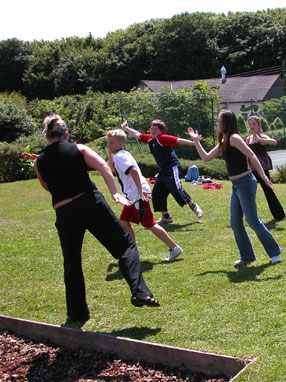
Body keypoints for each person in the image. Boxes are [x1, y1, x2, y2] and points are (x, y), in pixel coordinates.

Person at [22, 115, 159, 324]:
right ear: (65, 133)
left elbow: (47, 187)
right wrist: (114, 192)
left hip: (64, 212)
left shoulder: (39, 162)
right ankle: (139, 291)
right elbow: (103, 166)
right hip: (89, 203)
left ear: (46, 135)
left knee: (72, 262)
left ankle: (77, 313)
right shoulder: (78, 149)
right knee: (125, 247)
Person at [187, 110, 282, 266]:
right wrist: (196, 141)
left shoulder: (234, 138)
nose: (218, 124)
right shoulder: (223, 142)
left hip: (245, 182)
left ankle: (274, 251)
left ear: (227, 123)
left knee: (252, 220)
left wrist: (263, 177)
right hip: (236, 185)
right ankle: (247, 256)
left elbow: (251, 155)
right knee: (235, 222)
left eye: (219, 122)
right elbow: (205, 158)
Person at [106, 129, 183, 262]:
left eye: (111, 143)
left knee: (149, 223)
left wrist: (141, 192)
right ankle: (132, 251)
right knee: (124, 221)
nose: (108, 145)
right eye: (108, 143)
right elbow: (112, 169)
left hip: (137, 195)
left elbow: (134, 171)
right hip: (132, 196)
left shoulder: (120, 156)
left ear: (120, 143)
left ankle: (174, 248)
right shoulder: (120, 154)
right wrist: (109, 152)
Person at [120, 120, 203, 224]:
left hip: (172, 167)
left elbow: (178, 140)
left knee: (175, 188)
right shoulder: (150, 139)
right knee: (157, 193)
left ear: (161, 130)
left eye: (156, 129)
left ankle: (194, 206)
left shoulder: (162, 138)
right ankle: (166, 217)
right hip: (163, 169)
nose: (153, 131)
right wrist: (125, 128)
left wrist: (194, 142)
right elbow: (136, 134)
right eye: (151, 128)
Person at [245, 115, 286, 221]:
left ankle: (280, 215)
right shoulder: (248, 139)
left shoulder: (262, 136)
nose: (252, 126)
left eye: (254, 124)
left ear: (259, 125)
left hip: (262, 167)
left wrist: (261, 139)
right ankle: (249, 216)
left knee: (268, 191)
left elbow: (274, 141)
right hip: (251, 168)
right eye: (250, 124)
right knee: (247, 191)